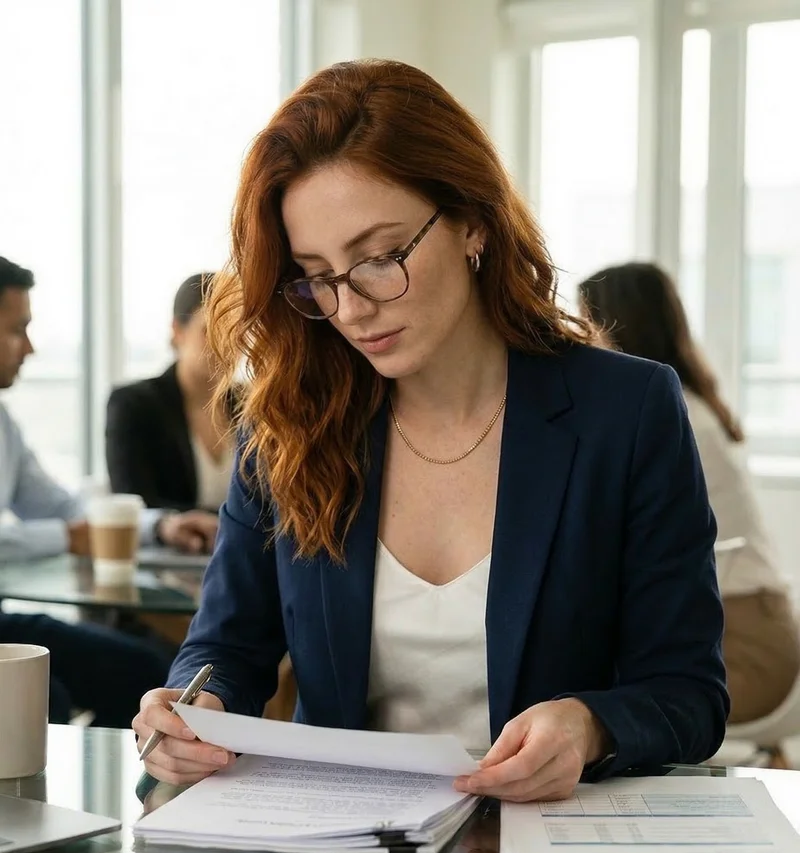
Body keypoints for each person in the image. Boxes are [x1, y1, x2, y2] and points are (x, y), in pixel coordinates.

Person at [134, 60, 728, 801]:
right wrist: (194, 705)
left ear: (471, 222)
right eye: (318, 274)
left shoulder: (628, 410)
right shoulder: (287, 422)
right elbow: (227, 646)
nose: (350, 308)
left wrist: (588, 724)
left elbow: (688, 691)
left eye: (380, 258)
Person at [579, 261, 800, 724]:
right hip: (755, 621)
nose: (582, 342)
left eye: (586, 322)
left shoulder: (669, 418)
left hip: (745, 642)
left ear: (615, 324)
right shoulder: (693, 404)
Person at [0, 256, 218, 724]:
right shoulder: (139, 403)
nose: (31, 348)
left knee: (142, 670)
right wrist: (66, 537)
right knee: (45, 698)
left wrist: (164, 526)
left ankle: (125, 792)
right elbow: (67, 527)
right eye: (18, 330)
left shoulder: (3, 426)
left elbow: (63, 506)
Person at [106, 272, 237, 513]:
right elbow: (135, 503)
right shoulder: (135, 405)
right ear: (178, 331)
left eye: (234, 330)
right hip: (171, 550)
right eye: (210, 331)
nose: (225, 343)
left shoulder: (251, 406)